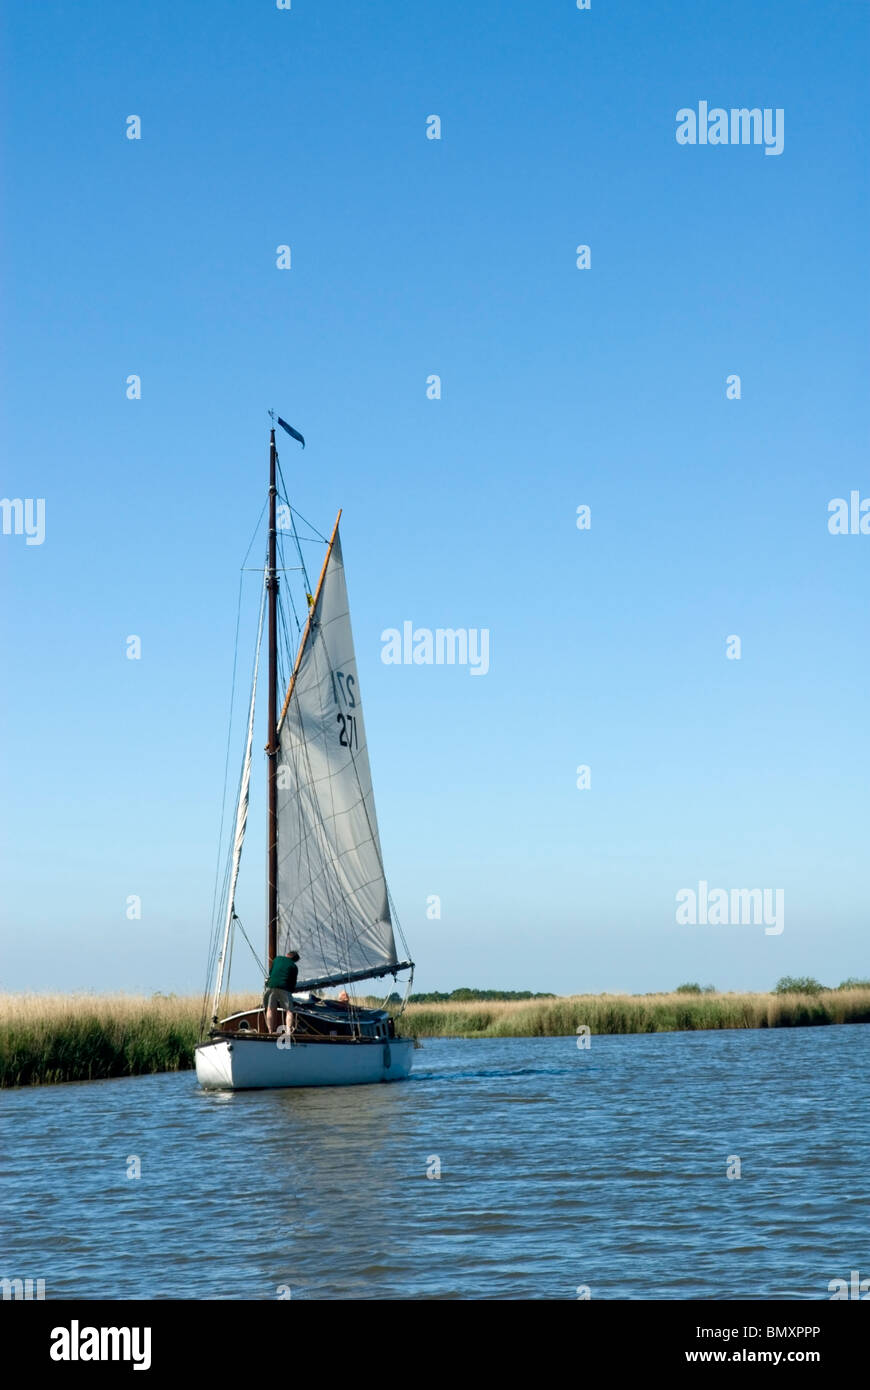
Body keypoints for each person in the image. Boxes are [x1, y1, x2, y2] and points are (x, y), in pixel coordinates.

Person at [263, 950, 300, 1034]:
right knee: (289, 1011)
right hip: (284, 988)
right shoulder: (294, 966)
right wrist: (291, 990)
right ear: (295, 960)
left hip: (271, 985)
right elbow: (293, 983)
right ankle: (288, 1032)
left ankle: (270, 1031)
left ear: (287, 955)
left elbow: (270, 972)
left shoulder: (277, 959)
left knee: (270, 1009)